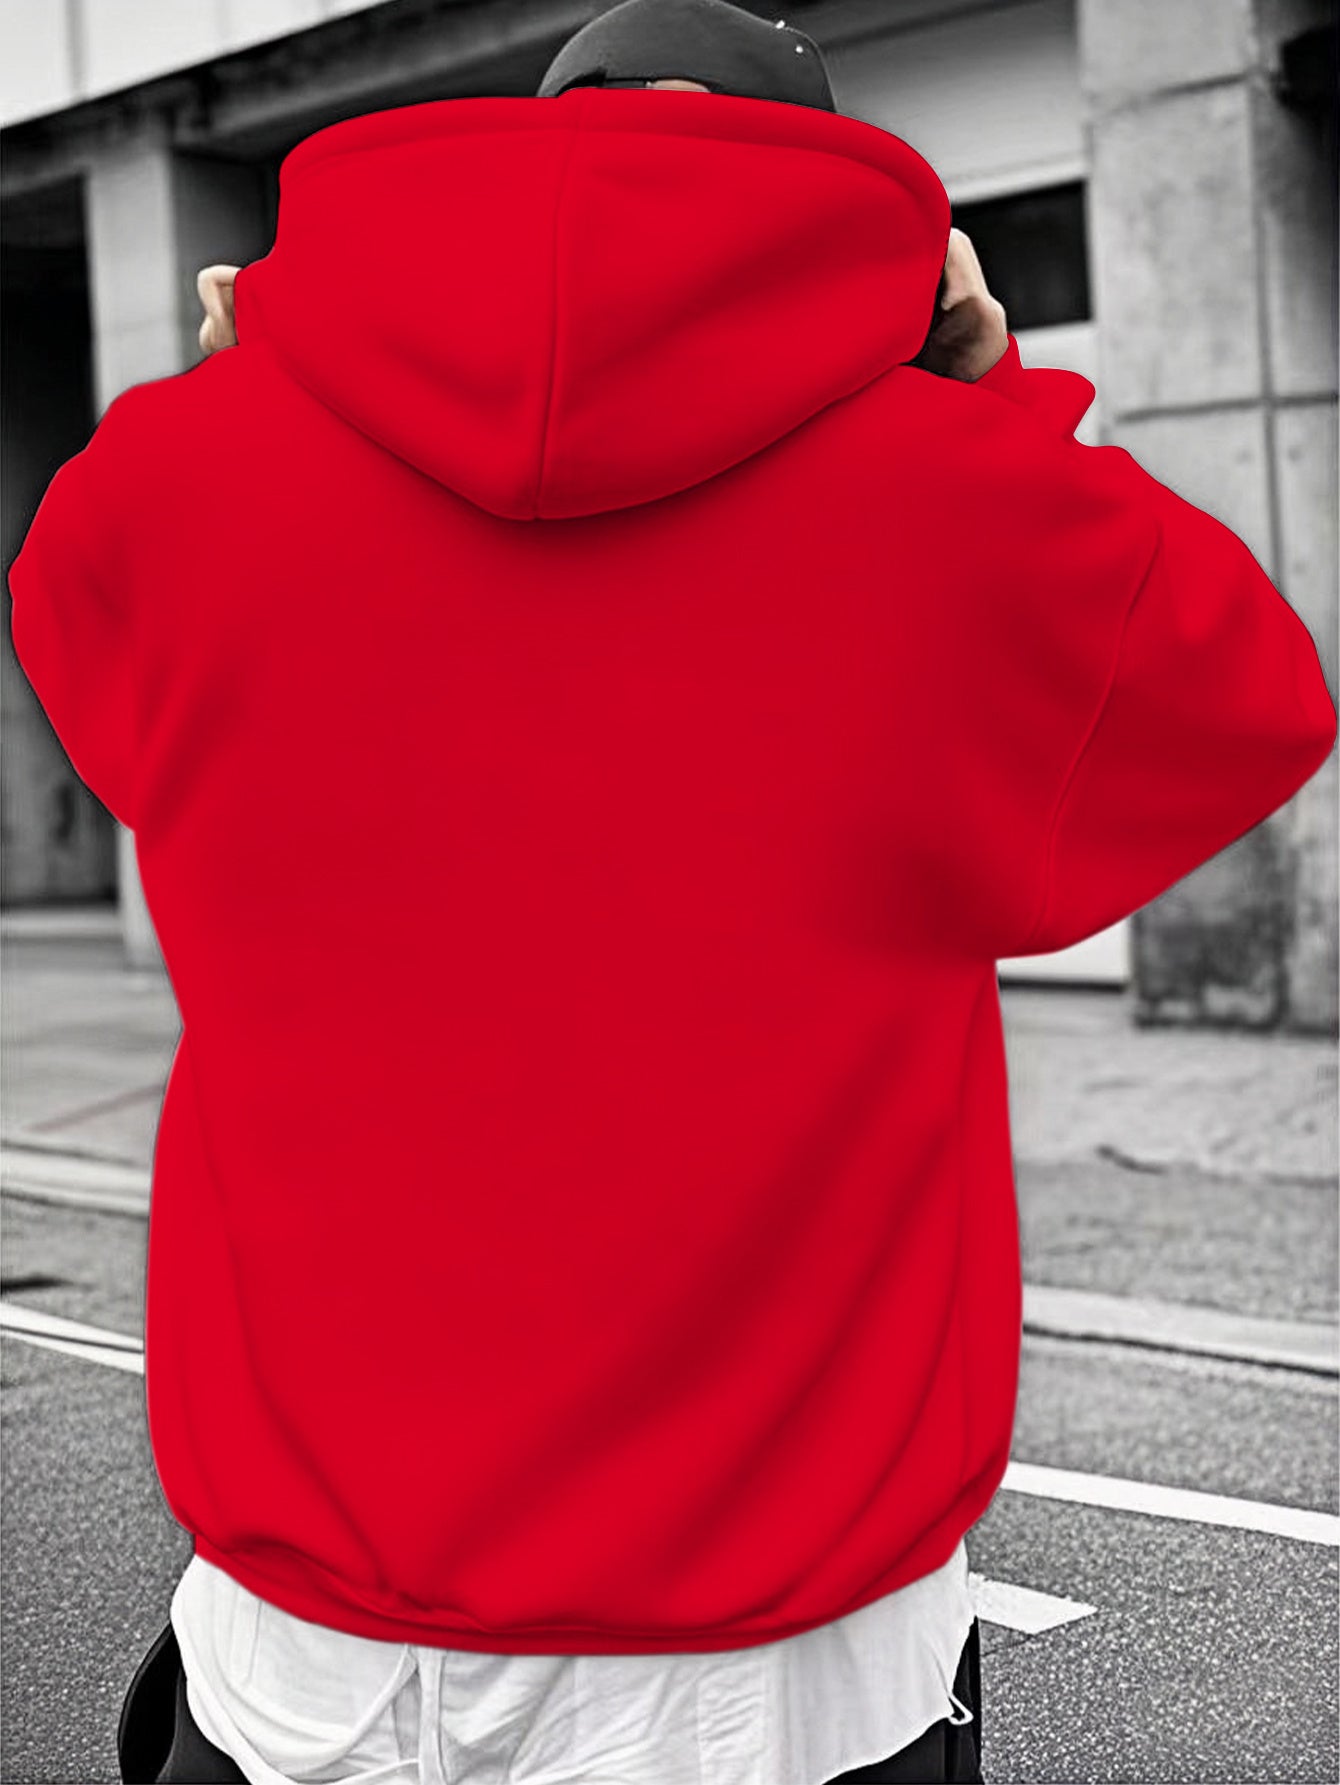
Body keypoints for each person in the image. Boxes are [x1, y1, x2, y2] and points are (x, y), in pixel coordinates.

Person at [7, 0, 1334, 1781]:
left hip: (314, 1641)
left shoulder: (178, 484)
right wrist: (992, 398)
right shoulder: (973, 517)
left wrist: (265, 383)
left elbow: (90, 636)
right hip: (787, 1662)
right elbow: (1251, 697)